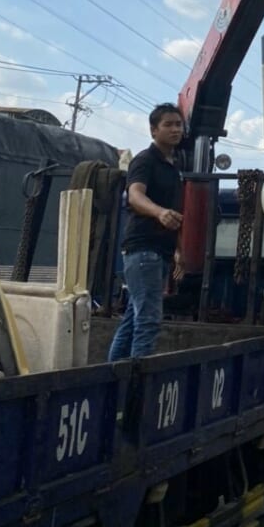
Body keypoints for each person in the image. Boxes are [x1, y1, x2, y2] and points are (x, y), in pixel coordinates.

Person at [108, 103, 185, 360]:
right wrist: (159, 212)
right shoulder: (145, 160)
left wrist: (178, 249)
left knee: (133, 320)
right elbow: (135, 196)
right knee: (148, 320)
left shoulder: (173, 166)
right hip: (143, 251)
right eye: (168, 125)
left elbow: (175, 213)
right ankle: (138, 378)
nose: (175, 129)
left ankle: (113, 375)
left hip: (160, 252)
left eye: (178, 124)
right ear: (153, 130)